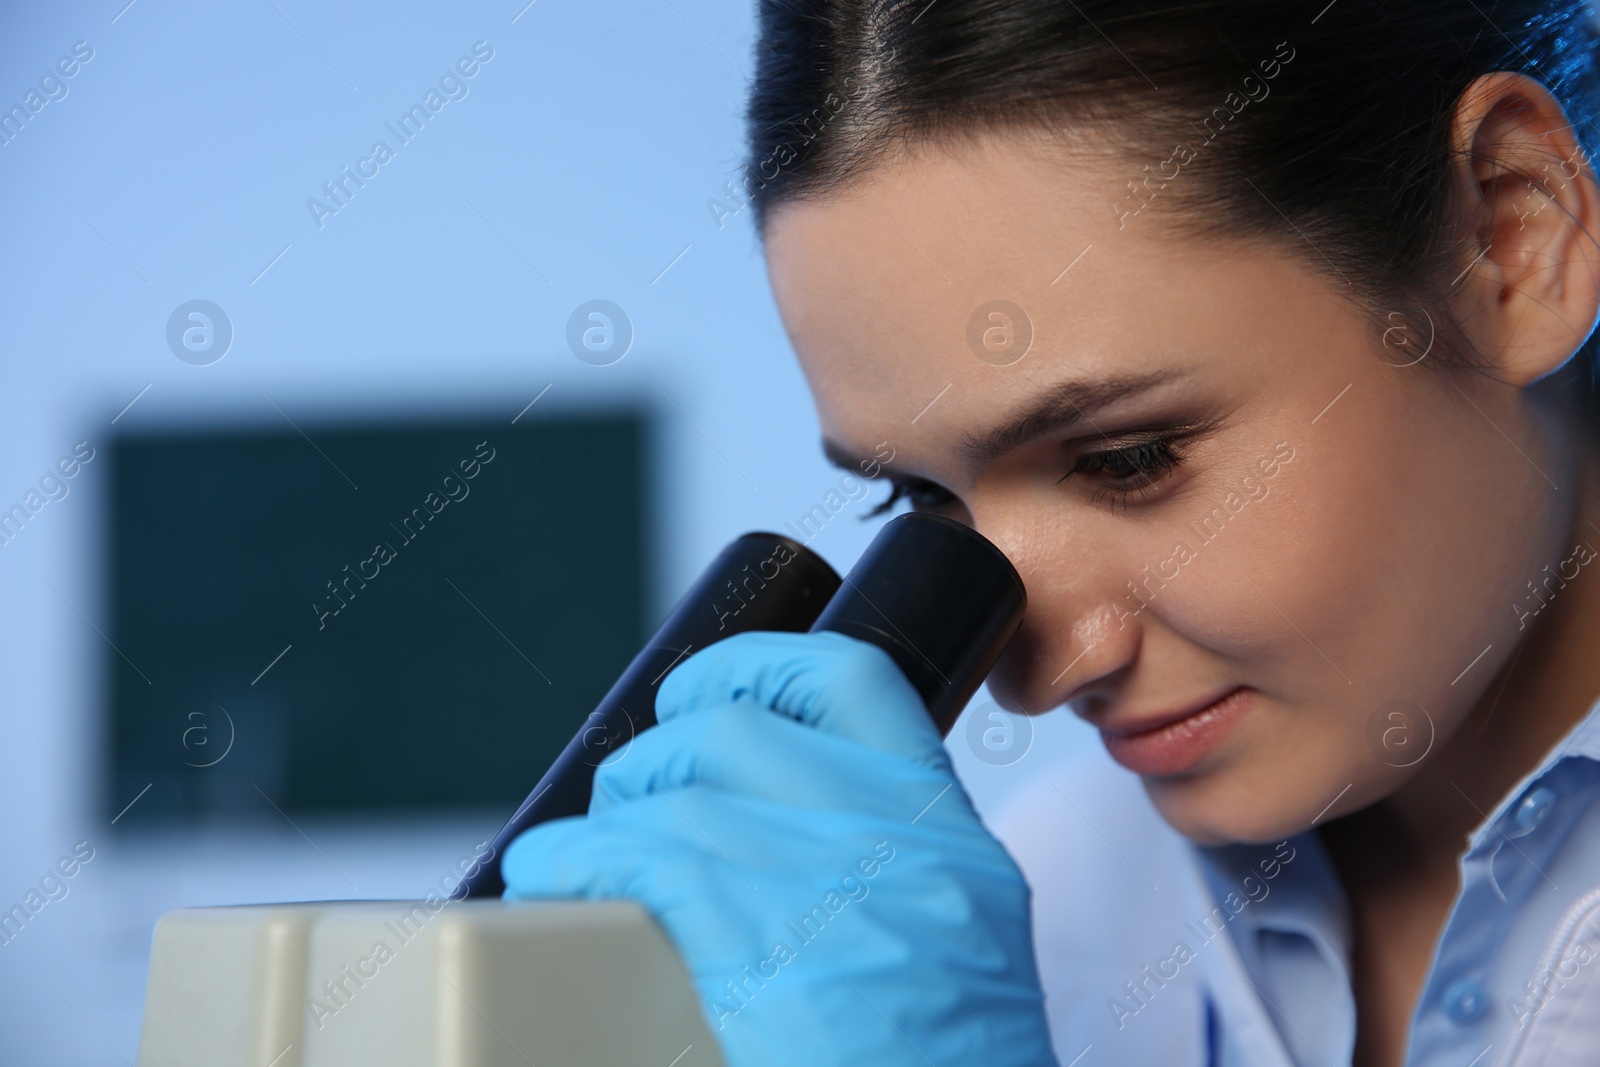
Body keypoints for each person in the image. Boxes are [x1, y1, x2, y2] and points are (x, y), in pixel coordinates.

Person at [503, 2, 1600, 1064]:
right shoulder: (1036, 904)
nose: (1039, 678)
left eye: (1130, 457)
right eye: (924, 504)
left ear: (1509, 235)